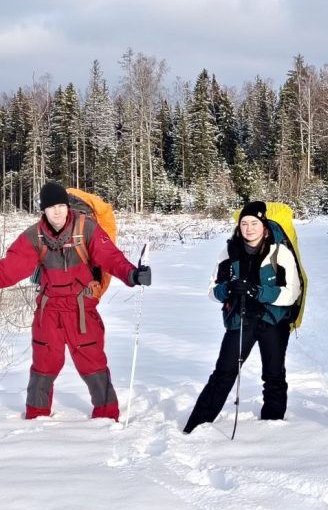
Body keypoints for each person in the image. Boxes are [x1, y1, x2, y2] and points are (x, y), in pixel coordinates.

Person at [0, 181, 151, 420]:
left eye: (61, 205)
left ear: (67, 206)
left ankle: (106, 417)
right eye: (51, 207)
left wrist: (132, 274)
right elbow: (9, 268)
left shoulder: (86, 228)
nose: (57, 211)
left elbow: (110, 257)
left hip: (81, 309)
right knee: (43, 366)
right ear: (44, 210)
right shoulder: (34, 236)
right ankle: (36, 419)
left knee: (93, 364)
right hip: (49, 310)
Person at [184, 201, 301, 434]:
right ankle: (197, 425)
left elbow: (292, 292)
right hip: (241, 319)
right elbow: (212, 290)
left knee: (274, 374)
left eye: (254, 223)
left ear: (264, 226)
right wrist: (228, 289)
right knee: (224, 372)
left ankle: (274, 425)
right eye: (244, 223)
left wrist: (258, 292)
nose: (249, 228)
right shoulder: (228, 252)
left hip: (272, 321)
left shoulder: (280, 252)